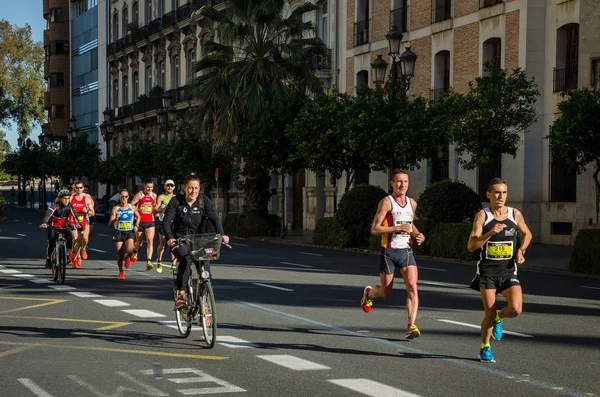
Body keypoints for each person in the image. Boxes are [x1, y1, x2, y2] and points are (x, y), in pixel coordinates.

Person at [467, 177, 532, 363]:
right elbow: (471, 246)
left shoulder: (514, 214)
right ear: (488, 195)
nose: (501, 196)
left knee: (516, 309)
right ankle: (485, 348)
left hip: (508, 270)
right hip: (487, 272)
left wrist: (521, 250)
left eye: (504, 192)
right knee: (488, 310)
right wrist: (490, 233)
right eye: (496, 192)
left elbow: (527, 234)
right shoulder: (483, 216)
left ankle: (499, 316)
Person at [360, 169, 426, 340]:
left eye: (405, 181)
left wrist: (417, 234)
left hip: (406, 251)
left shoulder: (412, 203)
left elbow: (410, 224)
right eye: (398, 181)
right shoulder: (386, 203)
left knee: (412, 287)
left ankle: (411, 326)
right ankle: (369, 294)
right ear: (392, 183)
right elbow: (375, 229)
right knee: (385, 292)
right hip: (388, 252)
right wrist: (397, 228)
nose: (402, 185)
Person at [163, 173, 229, 310]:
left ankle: (203, 300)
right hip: (179, 240)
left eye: (196, 188)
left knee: (205, 270)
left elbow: (215, 218)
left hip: (199, 240)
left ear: (199, 189)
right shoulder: (176, 202)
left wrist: (222, 234)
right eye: (190, 188)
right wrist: (170, 238)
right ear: (185, 188)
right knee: (186, 260)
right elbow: (166, 222)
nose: (193, 191)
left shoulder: (203, 201)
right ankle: (181, 294)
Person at [39, 189, 79, 269]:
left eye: (68, 198)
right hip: (53, 226)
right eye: (64, 198)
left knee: (70, 238)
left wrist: (77, 223)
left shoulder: (70, 206)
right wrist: (45, 223)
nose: (66, 201)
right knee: (52, 243)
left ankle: (67, 253)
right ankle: (49, 258)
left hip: (64, 226)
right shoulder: (55, 206)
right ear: (60, 198)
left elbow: (74, 215)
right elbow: (48, 215)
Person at [108, 189, 140, 280]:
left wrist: (137, 225)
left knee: (130, 250)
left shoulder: (132, 207)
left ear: (128, 197)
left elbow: (139, 216)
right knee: (119, 253)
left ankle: (128, 256)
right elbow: (110, 223)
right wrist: (115, 219)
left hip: (129, 232)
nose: (124, 198)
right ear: (119, 197)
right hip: (119, 232)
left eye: (126, 196)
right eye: (122, 196)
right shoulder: (116, 208)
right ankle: (121, 271)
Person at [130, 179, 158, 271]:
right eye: (148, 187)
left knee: (150, 241)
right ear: (144, 186)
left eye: (151, 187)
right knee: (139, 242)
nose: (149, 189)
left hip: (150, 221)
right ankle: (134, 251)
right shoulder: (140, 194)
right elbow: (132, 205)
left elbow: (155, 207)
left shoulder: (154, 196)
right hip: (140, 221)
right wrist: (138, 210)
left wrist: (156, 211)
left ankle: (149, 261)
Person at [69, 180, 95, 268]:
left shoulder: (86, 198)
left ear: (83, 188)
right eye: (77, 188)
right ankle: (75, 257)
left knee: (84, 238)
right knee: (76, 239)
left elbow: (93, 212)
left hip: (84, 220)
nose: (79, 189)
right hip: (73, 220)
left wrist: (87, 211)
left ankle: (83, 249)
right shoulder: (71, 198)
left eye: (80, 188)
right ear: (74, 188)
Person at [154, 179, 176, 273]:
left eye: (171, 185)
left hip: (174, 223)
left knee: (174, 245)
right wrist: (163, 209)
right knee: (162, 245)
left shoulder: (176, 198)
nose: (169, 187)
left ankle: (173, 265)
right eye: (168, 185)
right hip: (163, 222)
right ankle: (159, 260)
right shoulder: (162, 197)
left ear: (174, 187)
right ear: (165, 187)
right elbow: (155, 210)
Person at [80, 185, 96, 259]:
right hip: (75, 219)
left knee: (87, 235)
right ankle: (73, 253)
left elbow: (92, 206)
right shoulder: (73, 196)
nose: (85, 191)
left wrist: (88, 209)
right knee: (75, 238)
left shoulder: (88, 197)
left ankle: (84, 247)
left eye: (86, 190)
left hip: (87, 217)